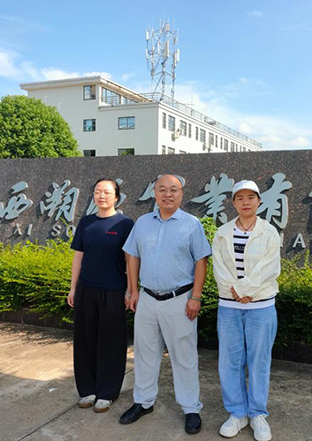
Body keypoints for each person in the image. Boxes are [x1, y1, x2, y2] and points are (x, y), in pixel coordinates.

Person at [119, 174, 211, 435]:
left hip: (179, 300)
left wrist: (195, 297)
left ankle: (191, 408)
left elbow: (201, 261)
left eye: (173, 190)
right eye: (162, 189)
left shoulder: (191, 224)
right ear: (155, 193)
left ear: (181, 194)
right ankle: (143, 402)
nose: (167, 194)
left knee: (184, 356)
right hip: (147, 299)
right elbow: (132, 256)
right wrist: (132, 290)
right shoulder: (142, 223)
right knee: (145, 354)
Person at [211, 180, 281, 441]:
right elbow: (219, 267)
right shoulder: (222, 232)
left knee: (259, 361)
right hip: (229, 306)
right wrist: (238, 292)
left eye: (251, 197)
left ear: (259, 201)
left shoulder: (269, 232)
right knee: (230, 361)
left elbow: (270, 267)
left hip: (261, 306)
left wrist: (246, 289)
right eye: (240, 198)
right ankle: (237, 413)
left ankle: (258, 414)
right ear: (233, 203)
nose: (246, 202)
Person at [67, 178, 134, 413]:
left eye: (106, 192)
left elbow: (130, 260)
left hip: (113, 290)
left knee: (111, 342)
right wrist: (73, 288)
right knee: (85, 340)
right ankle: (87, 390)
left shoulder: (125, 224)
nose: (101, 196)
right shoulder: (86, 222)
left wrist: (131, 290)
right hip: (86, 289)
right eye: (97, 192)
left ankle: (107, 392)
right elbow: (78, 256)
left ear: (116, 197)